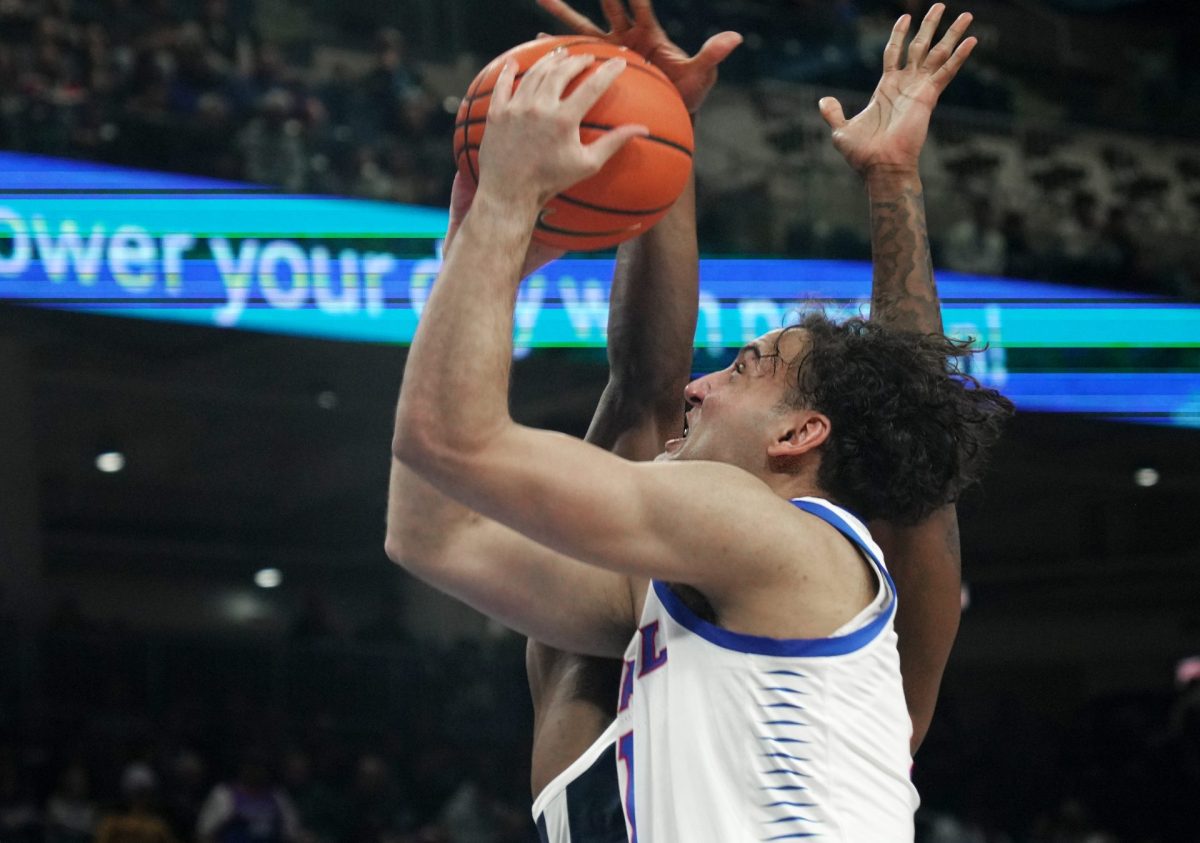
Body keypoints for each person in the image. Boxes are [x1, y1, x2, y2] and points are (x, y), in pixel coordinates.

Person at [389, 4, 1010, 840]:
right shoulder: (656, 613)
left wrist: (502, 209)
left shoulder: (790, 546)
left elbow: (917, 442)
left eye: (744, 367)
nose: (696, 385)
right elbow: (433, 530)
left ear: (799, 435)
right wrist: (646, 136)